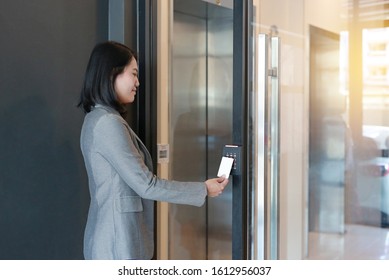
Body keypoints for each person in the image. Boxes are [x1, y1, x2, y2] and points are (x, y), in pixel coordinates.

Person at [77, 41, 229, 260]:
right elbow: (147, 185)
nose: (138, 82)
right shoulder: (108, 123)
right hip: (117, 241)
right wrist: (203, 189)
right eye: (134, 74)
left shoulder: (97, 118)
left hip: (114, 238)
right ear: (112, 74)